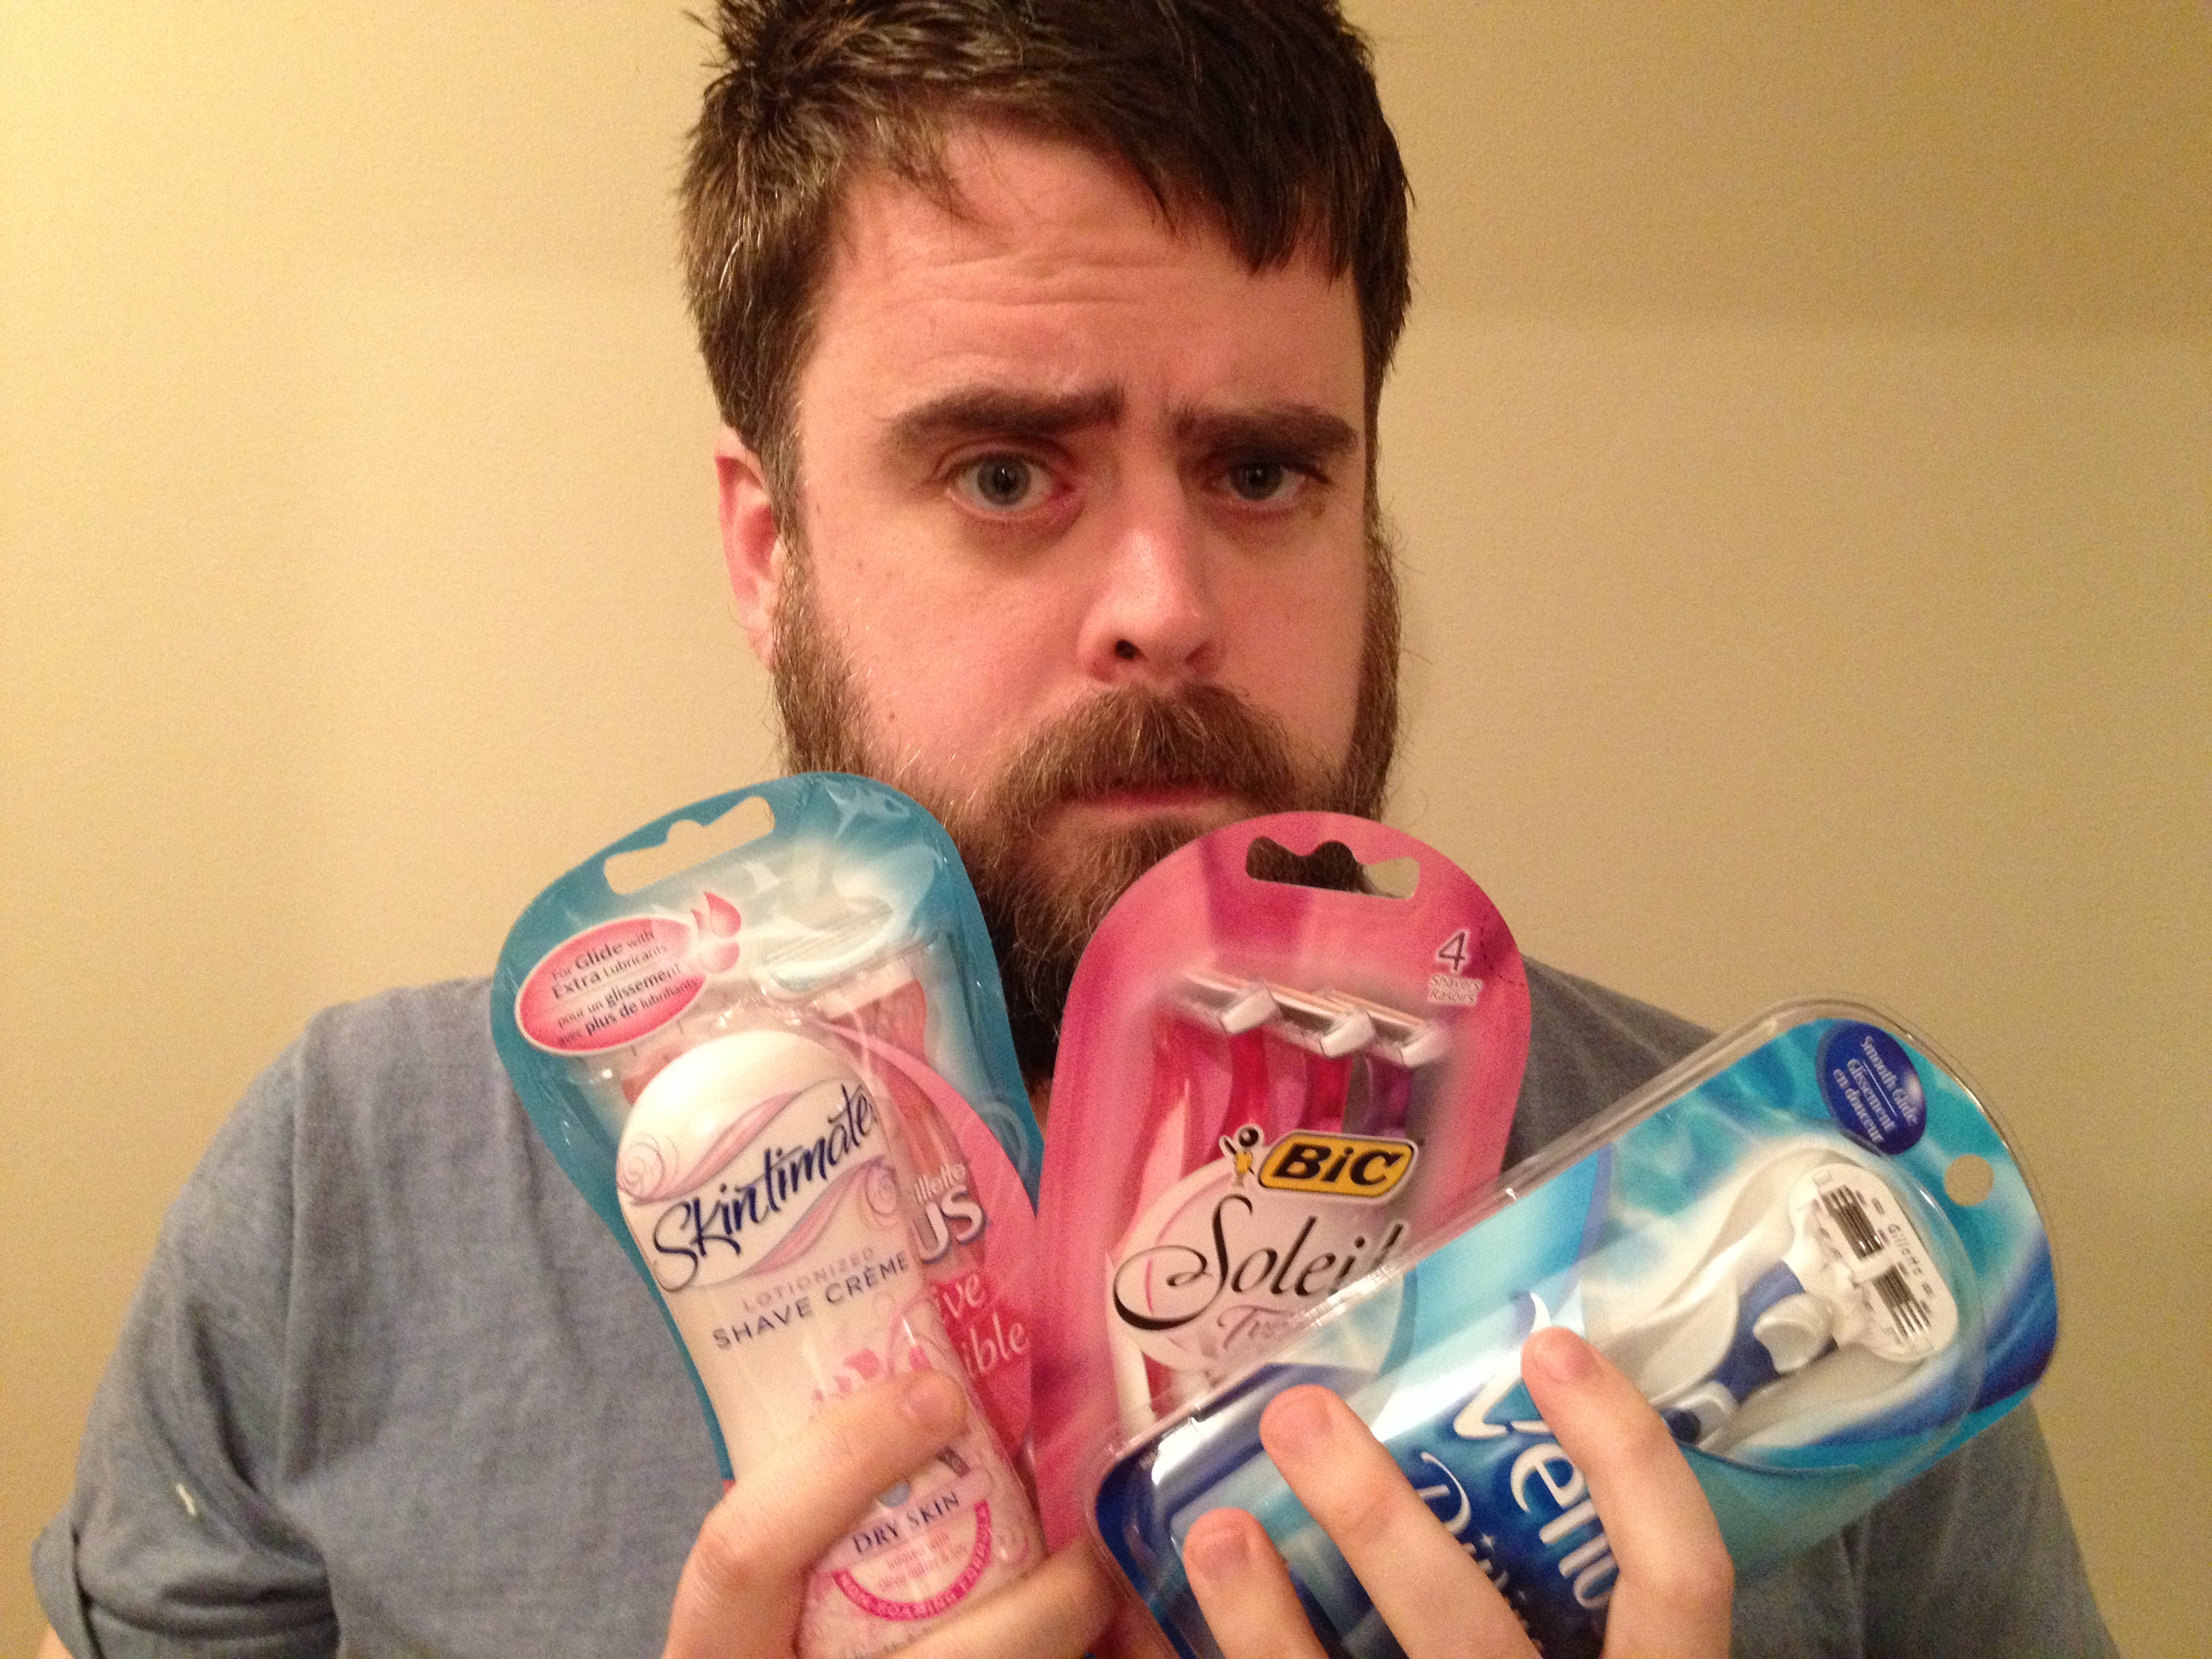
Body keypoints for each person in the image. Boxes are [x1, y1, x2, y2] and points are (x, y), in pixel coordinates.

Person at [34, 4, 2112, 1657]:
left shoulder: (1815, 1233)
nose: (1164, 603)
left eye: (1264, 472)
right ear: (767, 551)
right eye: (1008, 474)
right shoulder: (348, 1192)